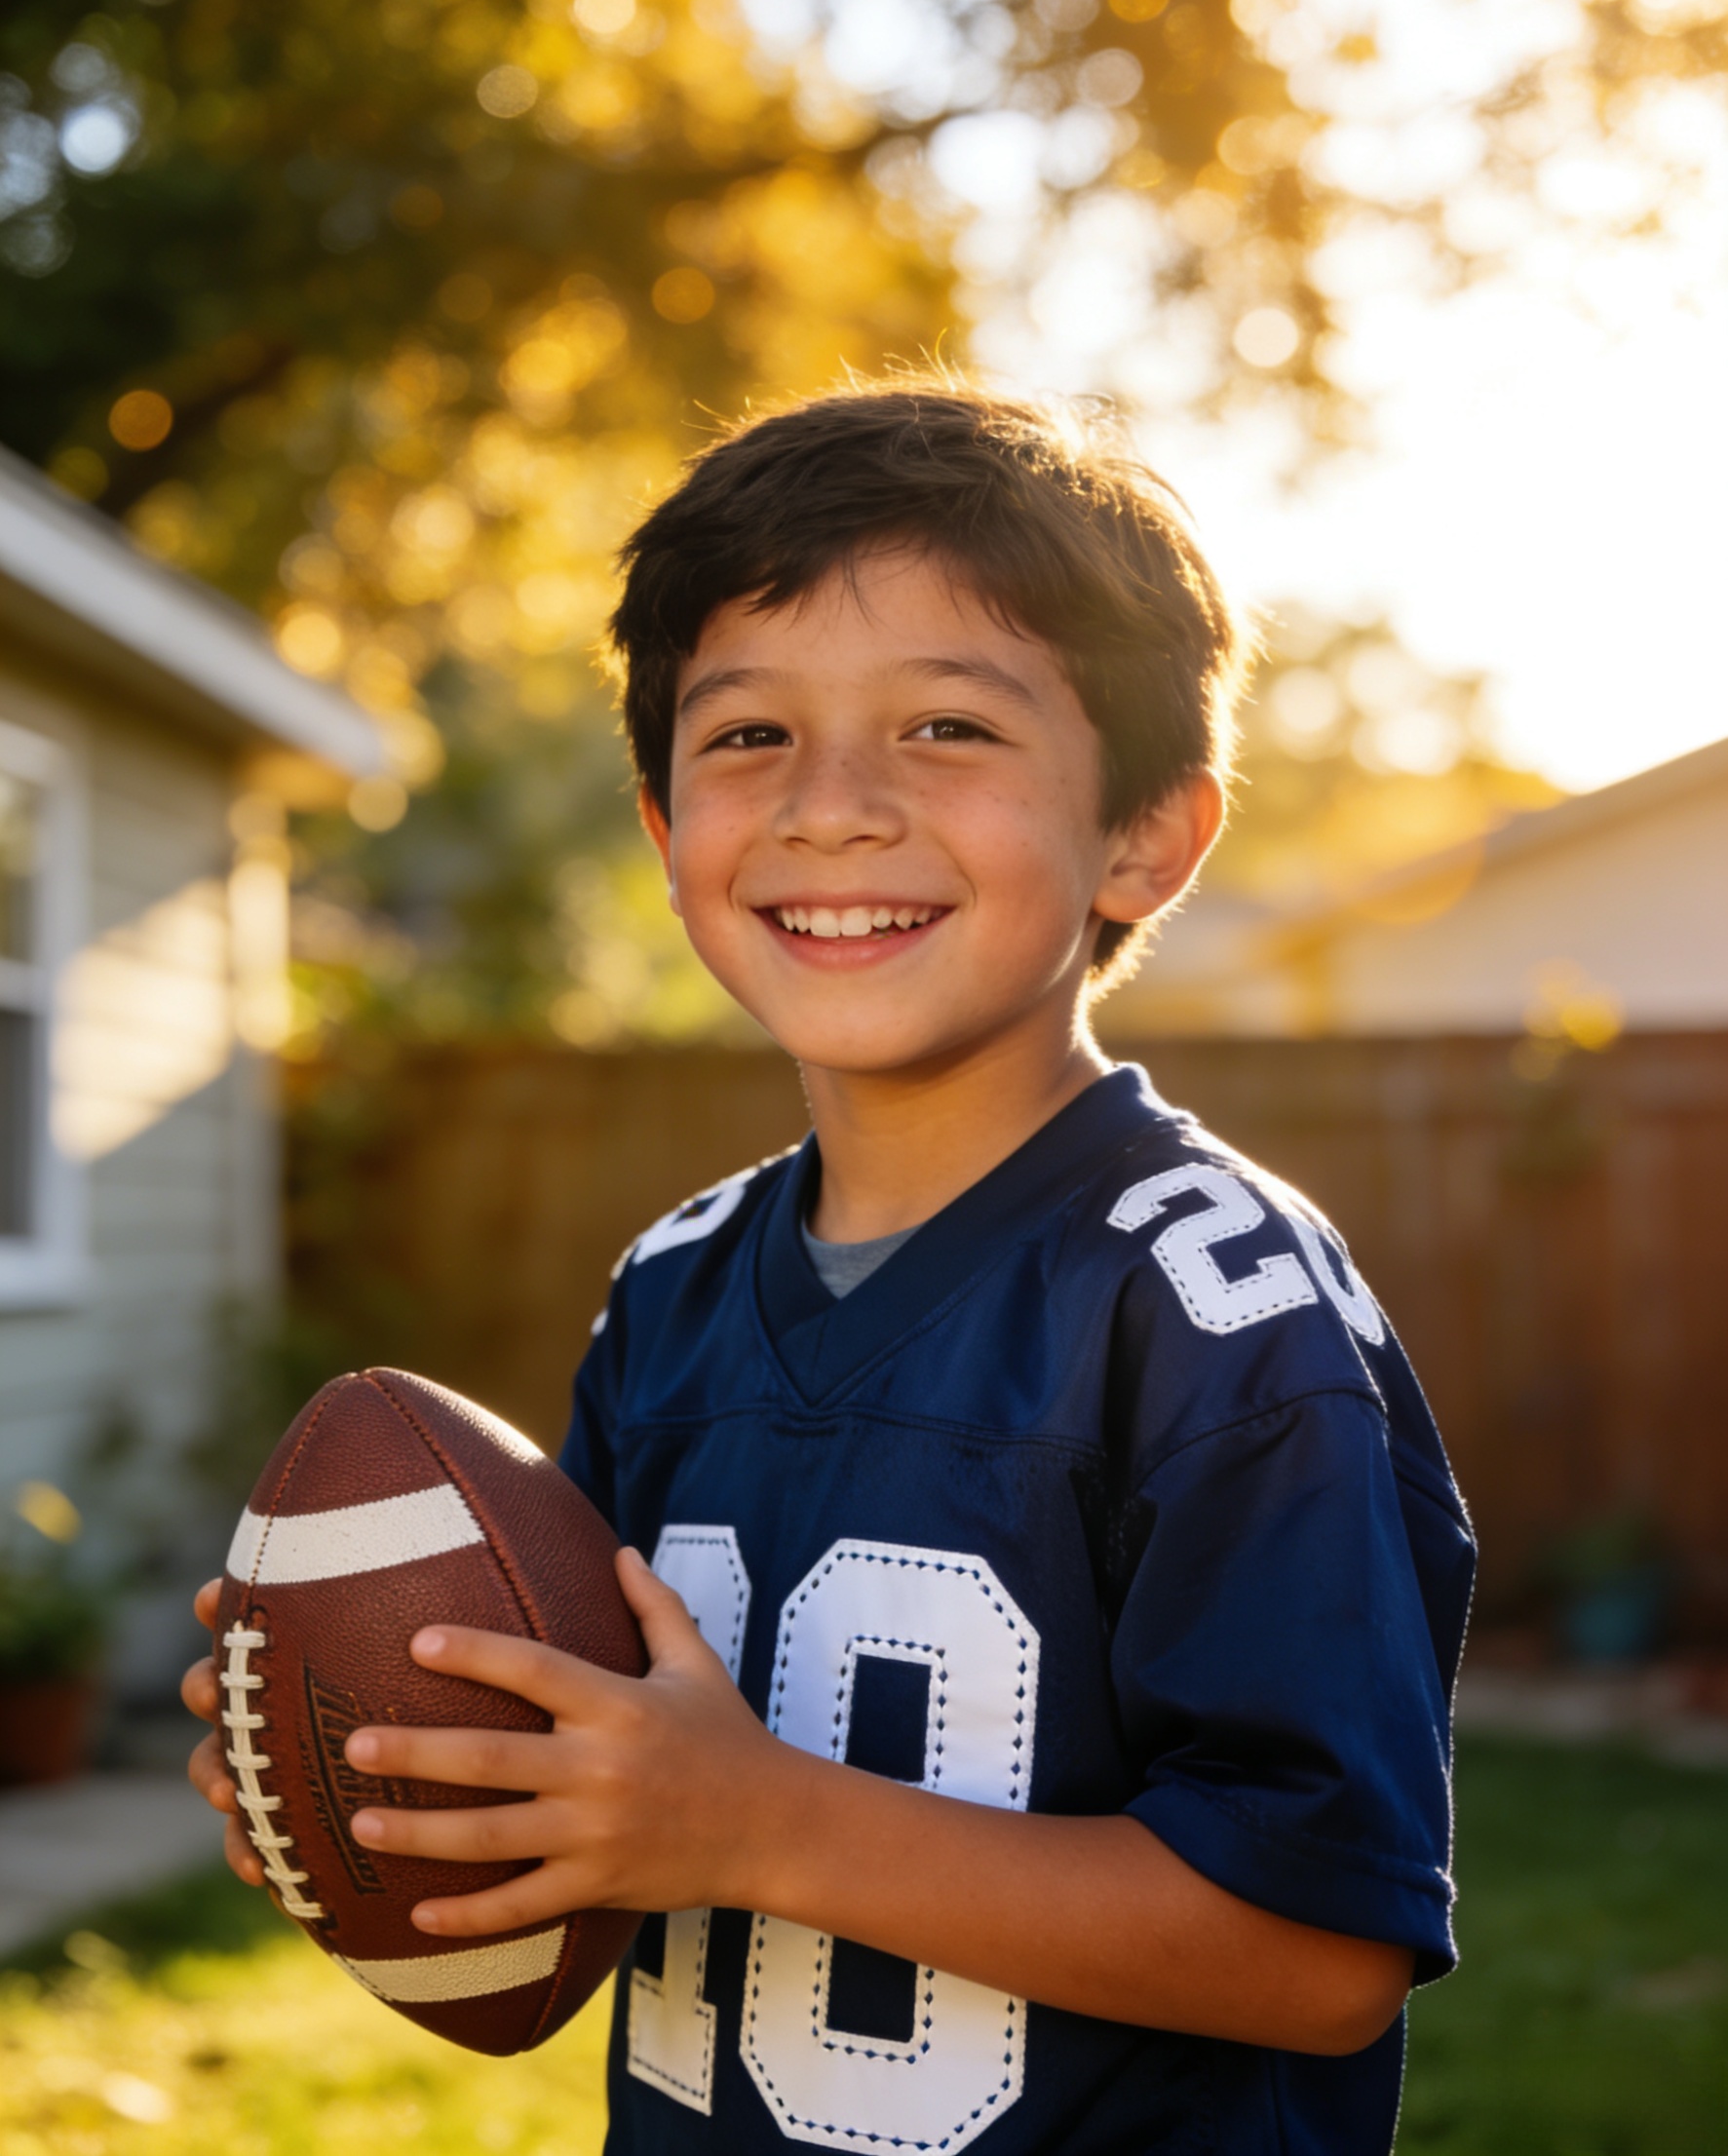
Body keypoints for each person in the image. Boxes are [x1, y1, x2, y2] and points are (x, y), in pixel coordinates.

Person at [185, 381, 1475, 2154]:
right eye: (745, 737)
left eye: (946, 725)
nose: (832, 809)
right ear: (660, 833)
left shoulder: (1214, 1307)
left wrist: (758, 1826)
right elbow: (619, 1799)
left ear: (1146, 834)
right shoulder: (678, 1283)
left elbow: (1323, 1948)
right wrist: (387, 1779)